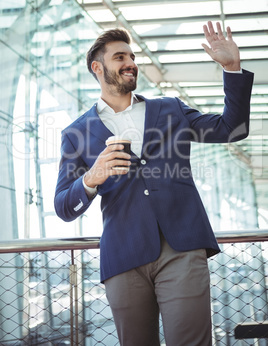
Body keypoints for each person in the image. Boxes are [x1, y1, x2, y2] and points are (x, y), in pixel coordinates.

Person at [54, 21, 254, 346]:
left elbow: (232, 129)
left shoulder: (170, 108)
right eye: (120, 57)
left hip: (182, 248)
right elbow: (64, 206)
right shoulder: (76, 133)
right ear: (97, 67)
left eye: (132, 56)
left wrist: (232, 69)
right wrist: (92, 177)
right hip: (123, 257)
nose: (131, 63)